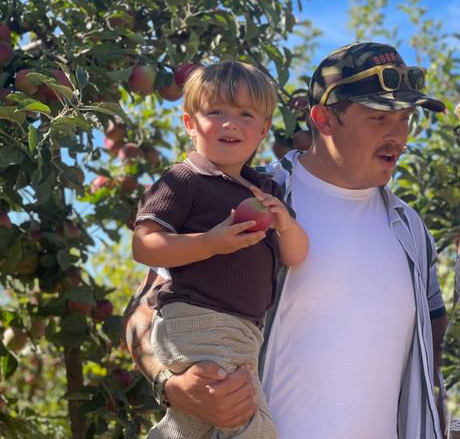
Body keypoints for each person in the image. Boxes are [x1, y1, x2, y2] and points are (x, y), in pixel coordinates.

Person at [123, 42, 449, 439]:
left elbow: (430, 339)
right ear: (323, 119)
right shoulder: (247, 194)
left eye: (405, 118)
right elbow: (142, 311)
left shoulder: (410, 229)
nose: (398, 135)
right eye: (380, 117)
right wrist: (171, 386)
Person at [132, 61, 309, 439]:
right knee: (246, 422)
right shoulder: (183, 180)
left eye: (245, 114)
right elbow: (144, 245)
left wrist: (286, 224)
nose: (230, 123)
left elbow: (295, 255)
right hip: (198, 318)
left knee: (192, 423)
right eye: (216, 111)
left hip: (243, 332)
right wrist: (210, 243)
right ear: (189, 124)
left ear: (262, 130)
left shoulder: (264, 191)